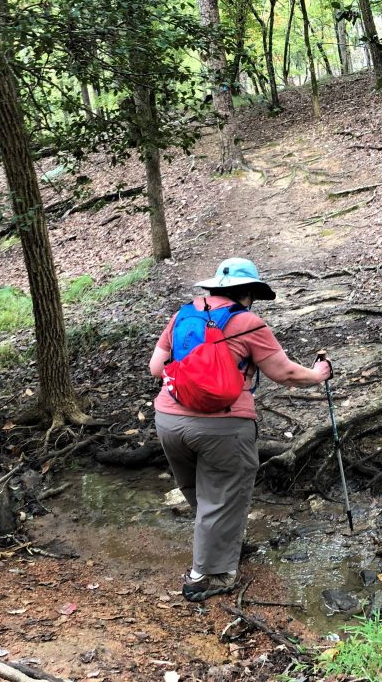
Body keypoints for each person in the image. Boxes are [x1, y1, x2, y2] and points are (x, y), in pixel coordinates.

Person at [148, 257, 332, 602]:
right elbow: (286, 374)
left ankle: (222, 545)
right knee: (223, 496)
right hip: (224, 425)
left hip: (169, 421)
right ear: (248, 293)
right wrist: (318, 374)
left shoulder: (183, 314)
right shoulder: (248, 323)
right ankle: (206, 576)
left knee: (199, 491)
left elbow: (156, 368)